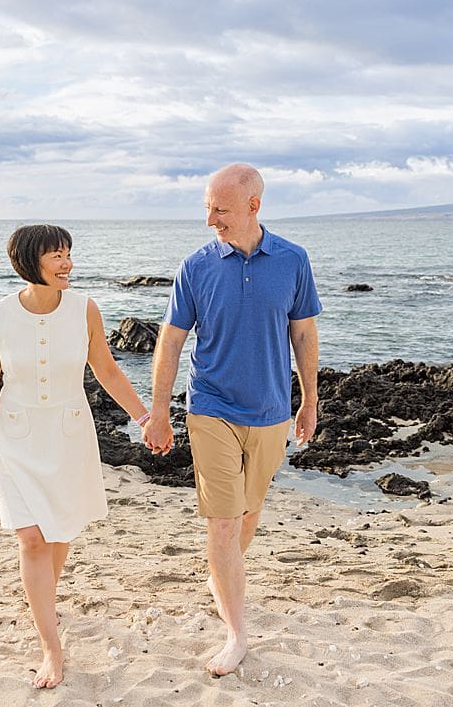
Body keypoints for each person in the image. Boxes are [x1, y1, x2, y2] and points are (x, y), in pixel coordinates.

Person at [142, 163, 321, 676]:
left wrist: (309, 401)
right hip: (211, 407)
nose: (211, 220)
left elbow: (303, 335)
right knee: (223, 523)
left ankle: (222, 577)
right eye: (207, 209)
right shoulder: (196, 266)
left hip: (270, 412)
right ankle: (237, 633)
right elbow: (171, 340)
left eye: (220, 209)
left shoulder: (292, 260)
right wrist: (159, 410)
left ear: (252, 206)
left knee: (246, 517)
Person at [0, 224, 150, 689]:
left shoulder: (85, 309)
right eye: (57, 255)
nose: (68, 263)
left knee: (61, 534)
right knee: (31, 540)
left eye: (69, 253)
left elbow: (105, 368)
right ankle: (51, 645)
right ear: (31, 261)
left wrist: (146, 418)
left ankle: (42, 602)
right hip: (16, 436)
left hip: (69, 435)